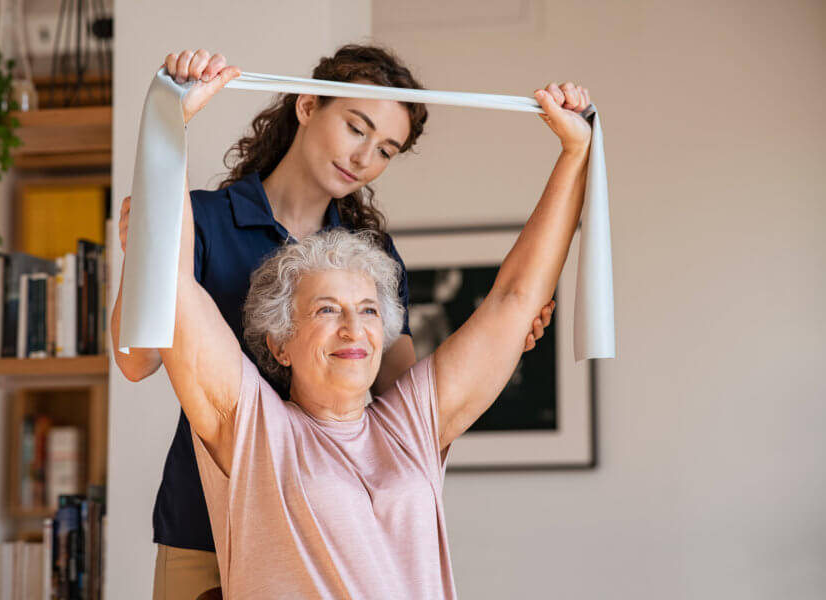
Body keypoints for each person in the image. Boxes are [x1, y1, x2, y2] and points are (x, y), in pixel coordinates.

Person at [112, 45, 570, 599]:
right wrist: (148, 247)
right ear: (308, 107)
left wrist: (497, 348)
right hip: (208, 516)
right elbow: (138, 358)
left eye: (385, 150)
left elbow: (401, 392)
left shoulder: (371, 255)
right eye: (357, 128)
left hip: (338, 510)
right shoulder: (205, 219)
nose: (363, 158)